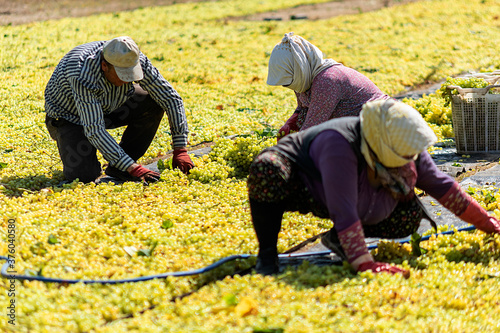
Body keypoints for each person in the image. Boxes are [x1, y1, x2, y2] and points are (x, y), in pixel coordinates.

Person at [247, 99, 500, 276]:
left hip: (349, 190)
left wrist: (487, 222)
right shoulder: (339, 144)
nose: (413, 158)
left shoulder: (403, 143)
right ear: (382, 146)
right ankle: (267, 256)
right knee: (266, 169)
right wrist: (364, 263)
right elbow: (342, 207)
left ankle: (338, 239)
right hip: (304, 184)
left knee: (409, 214)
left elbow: (442, 185)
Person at [44, 36, 194, 183]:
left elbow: (170, 98)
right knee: (84, 176)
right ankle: (124, 165)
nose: (128, 80)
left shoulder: (133, 58)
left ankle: (120, 168)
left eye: (131, 74)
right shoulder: (81, 73)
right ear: (105, 66)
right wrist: (133, 168)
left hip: (110, 104)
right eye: (122, 75)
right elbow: (94, 129)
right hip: (70, 116)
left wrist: (180, 148)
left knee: (153, 100)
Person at [267, 32, 390, 140]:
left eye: (288, 82)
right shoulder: (303, 79)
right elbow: (303, 109)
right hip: (359, 130)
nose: (287, 86)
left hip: (384, 126)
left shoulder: (326, 81)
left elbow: (311, 129)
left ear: (299, 69)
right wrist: (291, 124)